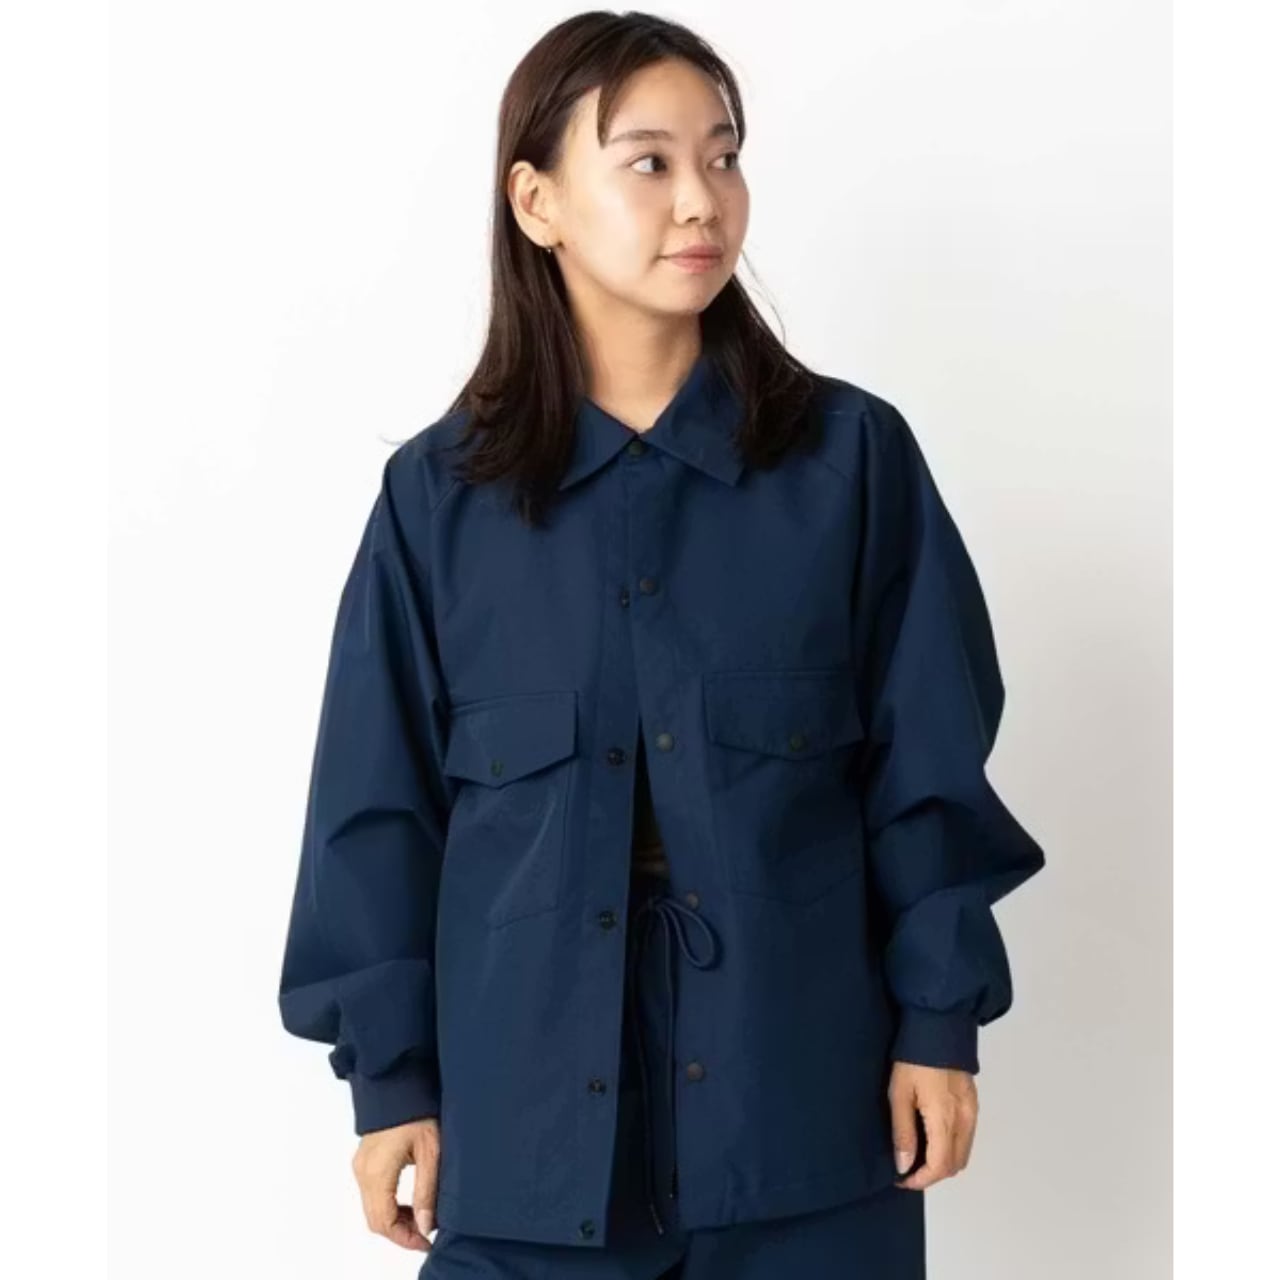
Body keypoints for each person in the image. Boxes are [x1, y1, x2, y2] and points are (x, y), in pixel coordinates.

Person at [277, 10, 1046, 1278]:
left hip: (803, 1120)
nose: (701, 199)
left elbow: (929, 768)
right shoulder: (437, 503)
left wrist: (936, 1020)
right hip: (524, 1136)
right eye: (648, 162)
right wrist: (390, 1080)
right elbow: (374, 810)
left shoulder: (850, 465)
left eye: (723, 156)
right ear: (536, 201)